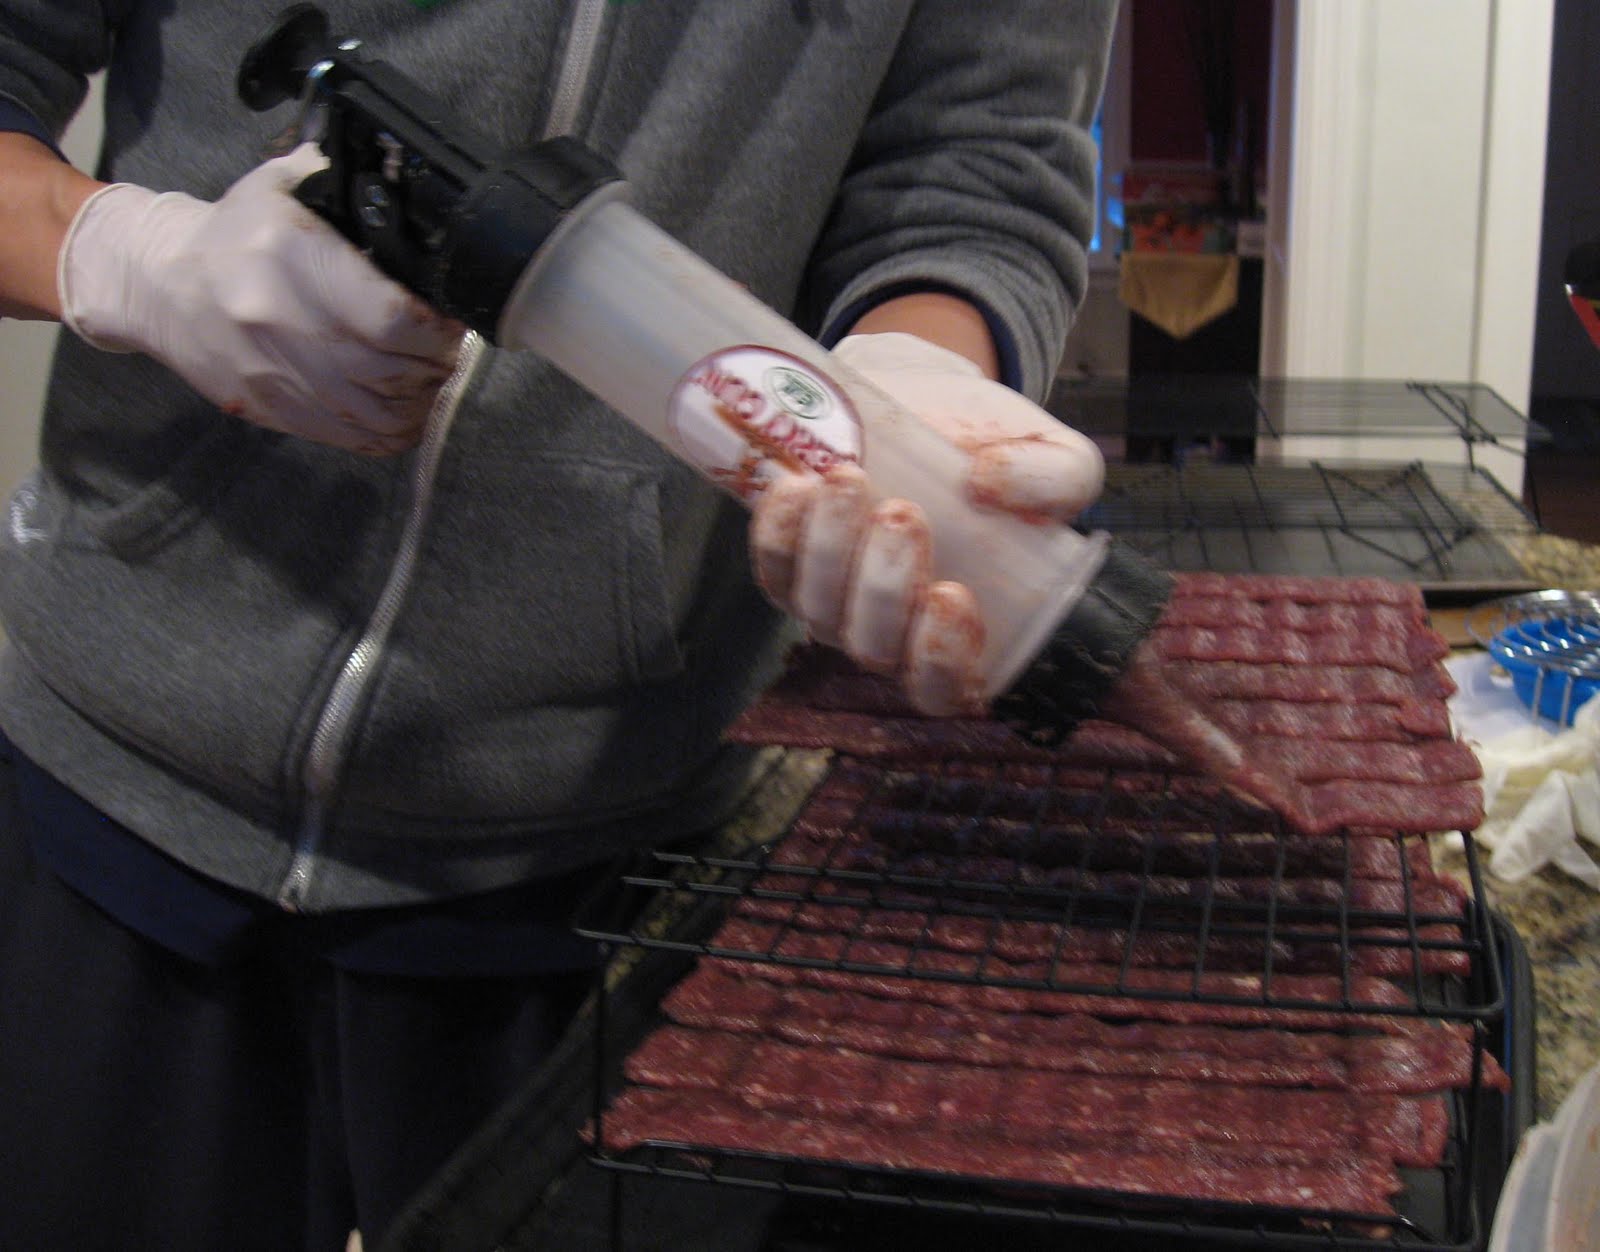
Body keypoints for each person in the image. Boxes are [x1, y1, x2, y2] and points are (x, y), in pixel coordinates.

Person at [0, 2, 1117, 1248]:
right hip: (115, 799)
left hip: (592, 871)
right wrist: (123, 257)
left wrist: (918, 384)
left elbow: (974, 170)